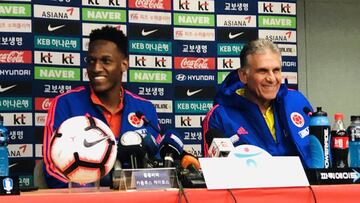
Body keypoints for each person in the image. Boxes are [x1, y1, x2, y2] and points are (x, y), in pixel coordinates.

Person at [42, 26, 161, 188]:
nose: (96, 68)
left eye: (106, 61)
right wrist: (93, 193)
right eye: (91, 61)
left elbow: (158, 165)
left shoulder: (145, 109)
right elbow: (51, 168)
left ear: (124, 64)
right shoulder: (64, 104)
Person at [202, 39, 314, 168]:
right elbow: (214, 174)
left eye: (276, 70)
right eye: (263, 71)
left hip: (302, 186)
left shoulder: (297, 101)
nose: (271, 78)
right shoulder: (220, 116)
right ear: (244, 75)